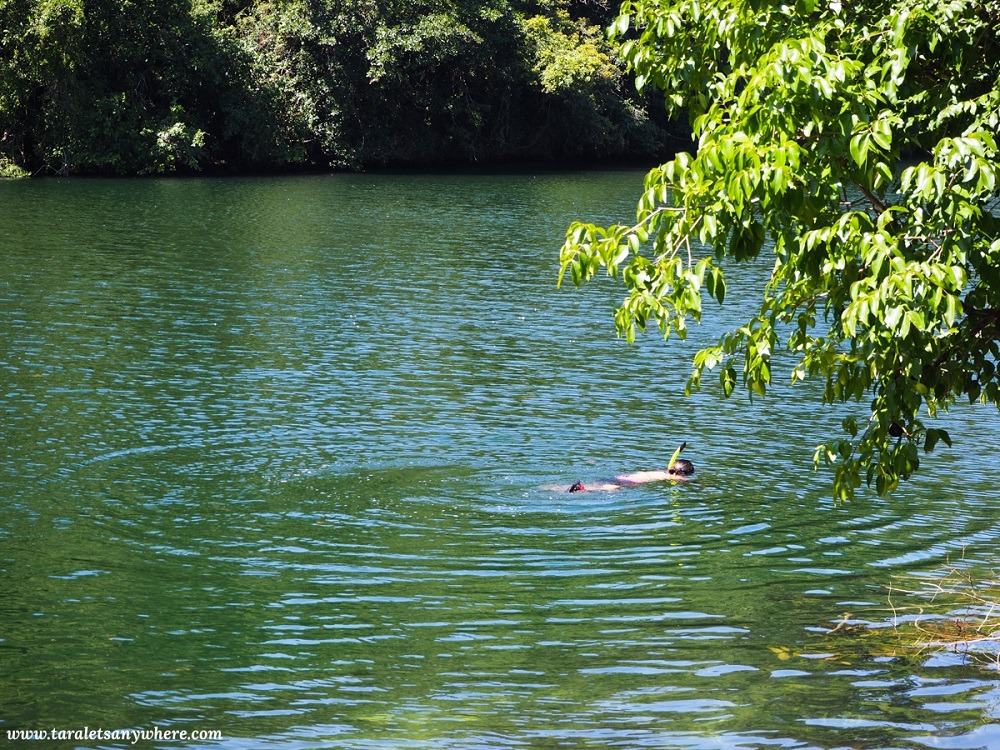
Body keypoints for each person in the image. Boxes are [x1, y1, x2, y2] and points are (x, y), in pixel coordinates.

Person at [568, 458, 694, 492]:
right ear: (682, 473)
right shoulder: (675, 476)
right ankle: (583, 490)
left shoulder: (664, 472)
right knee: (610, 489)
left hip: (621, 477)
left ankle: (581, 487)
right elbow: (684, 481)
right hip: (628, 483)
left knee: (600, 485)